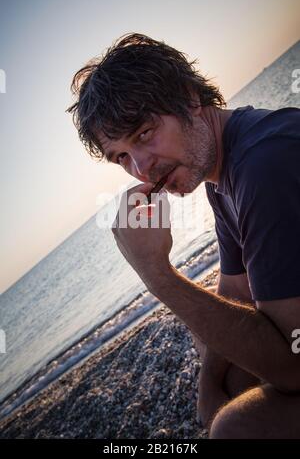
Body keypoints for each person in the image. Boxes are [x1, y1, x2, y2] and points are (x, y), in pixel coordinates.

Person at [67, 33, 300, 439]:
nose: (141, 169)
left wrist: (157, 274)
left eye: (143, 134)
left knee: (234, 426)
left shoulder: (264, 164)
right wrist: (207, 386)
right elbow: (234, 292)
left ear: (189, 98)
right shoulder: (223, 174)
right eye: (121, 156)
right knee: (216, 338)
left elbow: (294, 366)